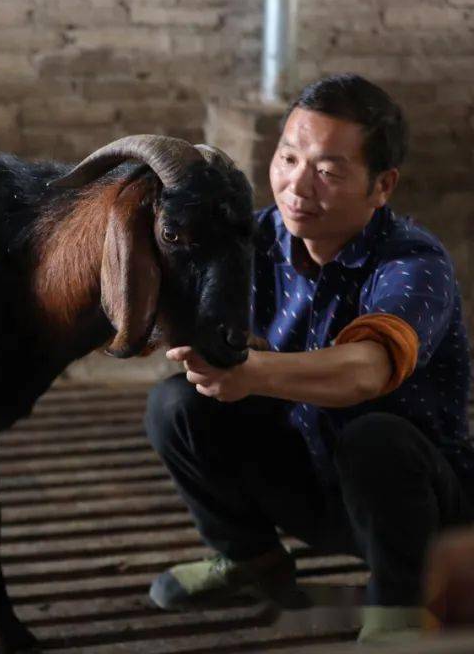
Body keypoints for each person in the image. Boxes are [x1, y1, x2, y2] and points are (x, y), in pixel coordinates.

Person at [144, 73, 473, 644]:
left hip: (413, 507)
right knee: (176, 405)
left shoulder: (414, 263)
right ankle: (250, 559)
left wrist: (250, 372)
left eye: (327, 171)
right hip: (308, 481)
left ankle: (401, 613)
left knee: (376, 437)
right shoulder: (257, 240)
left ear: (382, 185)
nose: (297, 186)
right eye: (288, 157)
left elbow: (367, 371)